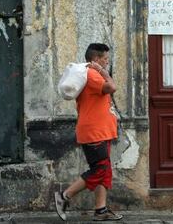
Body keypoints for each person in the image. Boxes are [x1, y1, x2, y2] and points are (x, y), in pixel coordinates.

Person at [54, 43, 123, 221]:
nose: (107, 62)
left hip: (102, 131)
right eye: (105, 59)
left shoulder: (91, 74)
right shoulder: (92, 74)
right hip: (95, 131)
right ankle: (64, 196)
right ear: (95, 59)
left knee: (104, 170)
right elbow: (112, 87)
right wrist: (103, 72)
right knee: (100, 169)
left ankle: (100, 210)